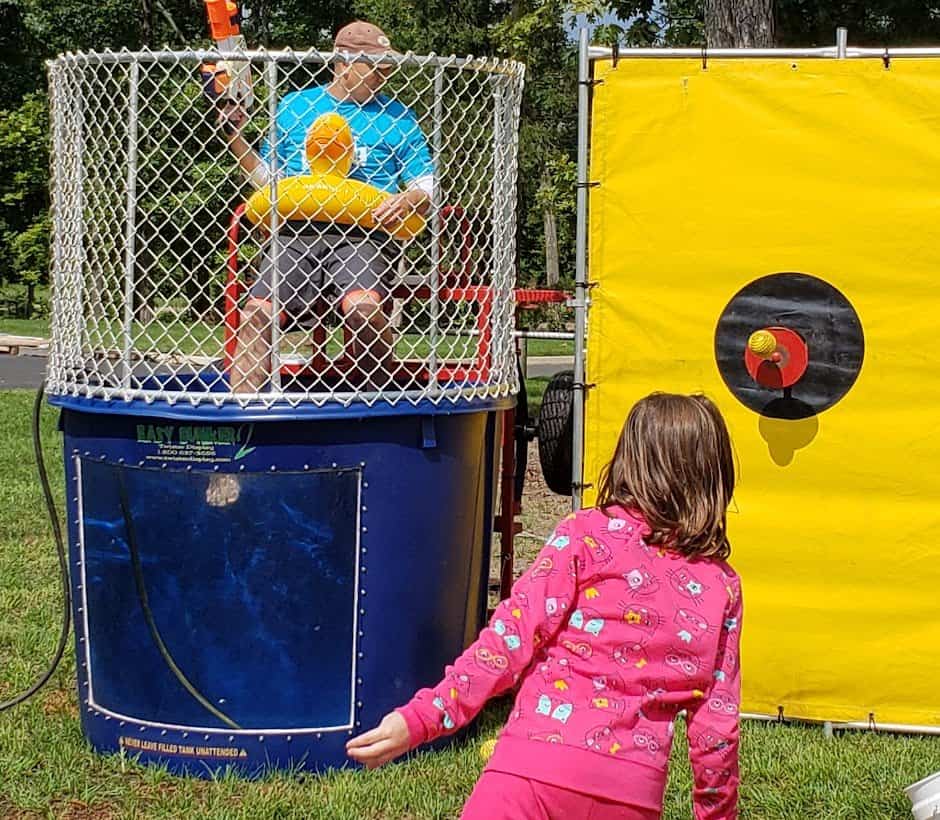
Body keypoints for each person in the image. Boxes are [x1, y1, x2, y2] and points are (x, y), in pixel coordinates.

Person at [347, 393, 743, 820]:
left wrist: (427, 716)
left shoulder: (585, 536)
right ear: (715, 478)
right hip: (630, 794)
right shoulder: (721, 586)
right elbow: (716, 729)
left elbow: (507, 640)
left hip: (531, 769)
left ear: (630, 459)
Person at [222, 20, 435, 393]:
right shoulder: (296, 106)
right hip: (295, 231)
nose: (384, 77)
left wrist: (407, 200)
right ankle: (242, 411)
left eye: (388, 68)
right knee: (257, 312)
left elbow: (426, 185)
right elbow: (270, 180)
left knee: (363, 308)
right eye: (376, 68)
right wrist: (234, 138)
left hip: (365, 232)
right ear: (342, 62)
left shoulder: (399, 117)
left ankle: (376, 404)